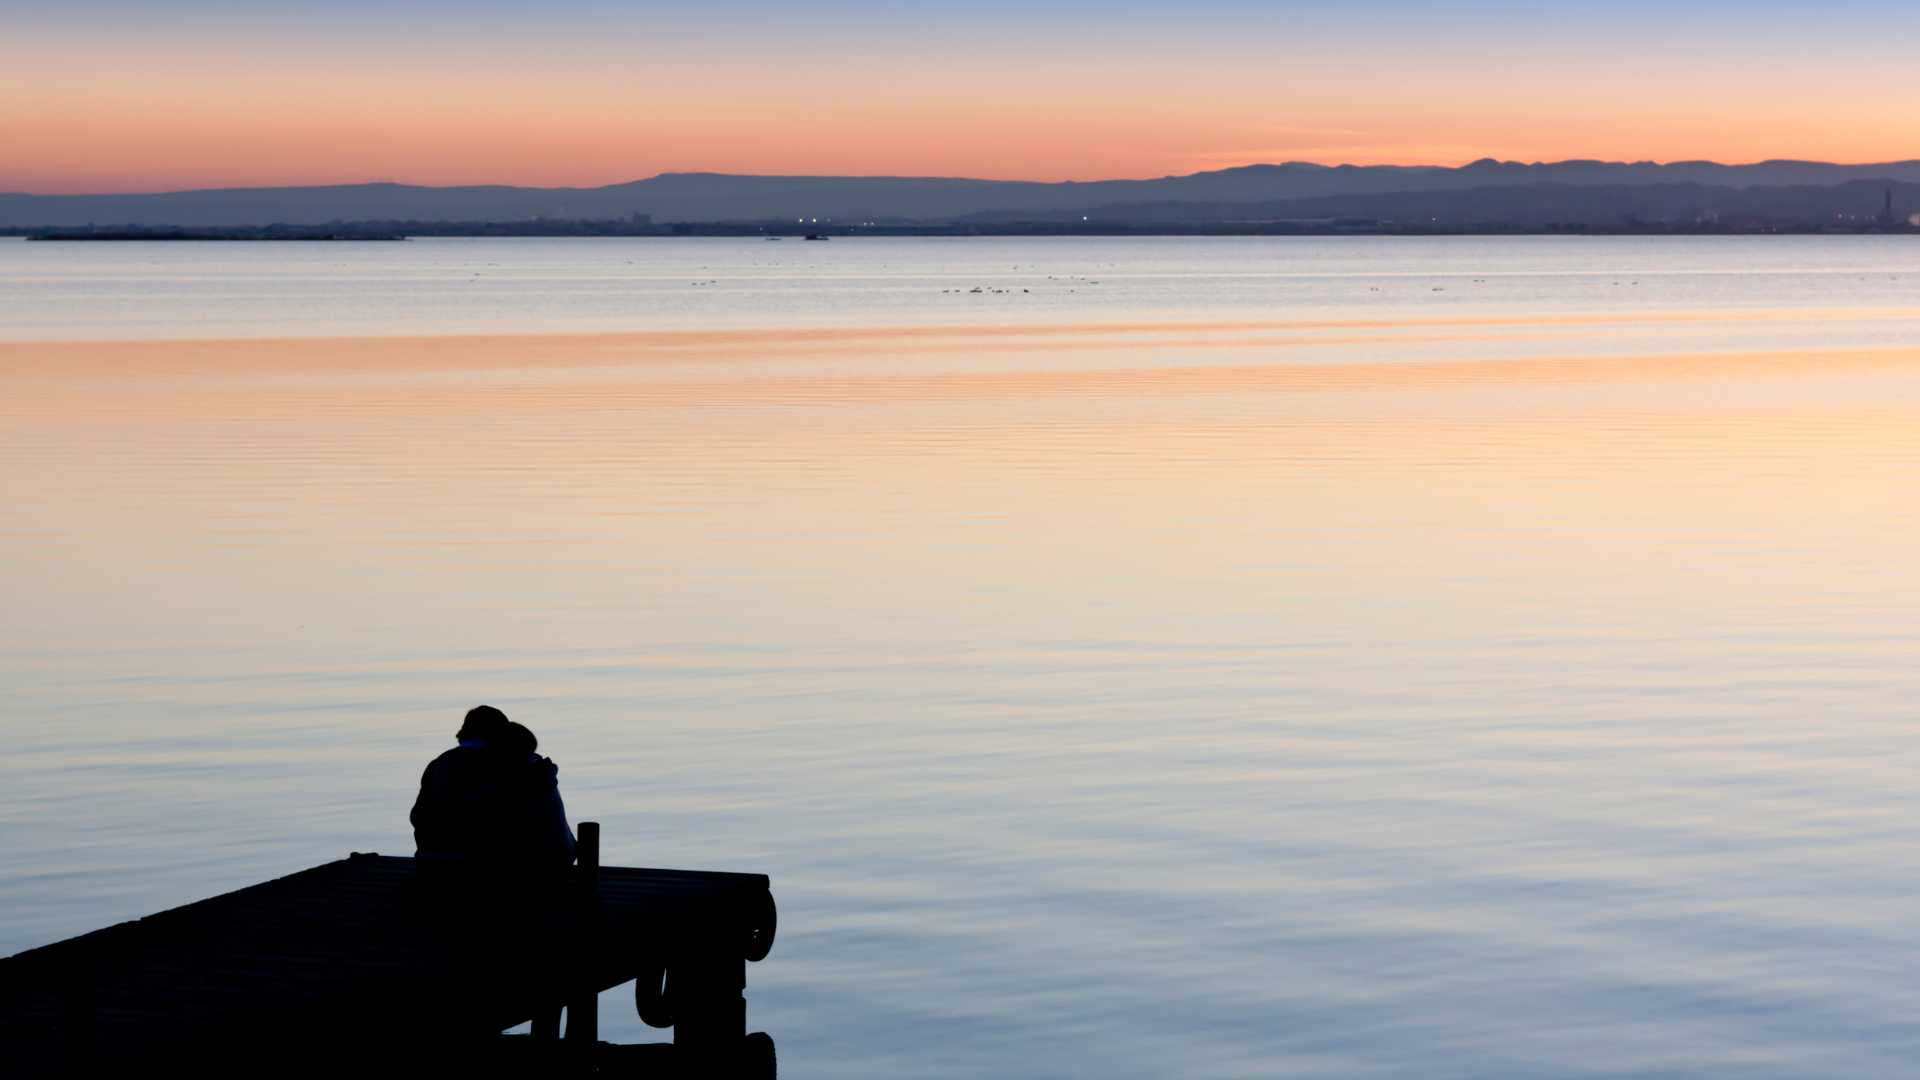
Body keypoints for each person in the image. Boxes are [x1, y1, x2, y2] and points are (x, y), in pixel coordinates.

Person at [411, 705, 576, 872]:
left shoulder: (439, 764)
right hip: (488, 867)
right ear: (502, 735)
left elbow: (418, 816)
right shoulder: (517, 765)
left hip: (431, 862)